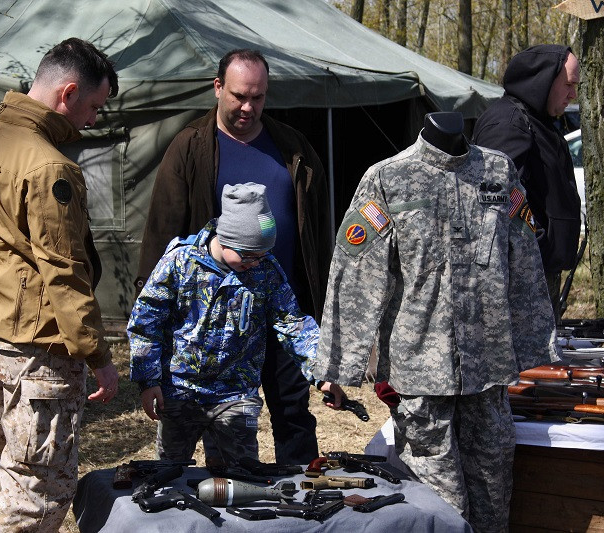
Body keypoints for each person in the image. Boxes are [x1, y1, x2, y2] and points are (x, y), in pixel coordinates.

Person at [314, 112, 559, 532]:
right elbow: (355, 273)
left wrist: (536, 343)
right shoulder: (387, 180)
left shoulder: (498, 172)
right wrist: (337, 366)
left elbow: (525, 260)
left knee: (493, 499)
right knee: (439, 508)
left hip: (488, 371)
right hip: (422, 374)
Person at [135, 48, 333, 465]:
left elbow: (316, 228)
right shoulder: (190, 146)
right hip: (212, 316)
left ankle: (302, 503)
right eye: (240, 95)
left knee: (293, 414)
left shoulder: (292, 146)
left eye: (257, 97)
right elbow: (161, 230)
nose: (248, 107)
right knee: (199, 420)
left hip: (279, 300)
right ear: (218, 87)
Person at [0, 38, 120, 532]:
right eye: (93, 107)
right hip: (39, 348)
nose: (93, 120)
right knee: (39, 491)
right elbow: (65, 272)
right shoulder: (50, 166)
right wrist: (99, 356)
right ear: (67, 93)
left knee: (19, 472)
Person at [129, 183, 342, 465]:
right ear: (225, 238)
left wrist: (323, 372)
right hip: (180, 390)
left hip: (236, 394)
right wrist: (148, 380)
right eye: (248, 254)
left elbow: (292, 323)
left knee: (239, 477)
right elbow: (146, 320)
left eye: (262, 255)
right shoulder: (180, 262)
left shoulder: (265, 272)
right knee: (171, 474)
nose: (255, 263)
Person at [472, 45, 582, 323]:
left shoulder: (537, 121)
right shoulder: (509, 123)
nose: (573, 94)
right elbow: (495, 202)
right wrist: (538, 245)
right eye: (568, 84)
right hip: (519, 280)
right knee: (527, 367)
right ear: (542, 81)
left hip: (536, 274)